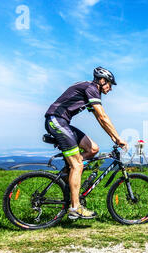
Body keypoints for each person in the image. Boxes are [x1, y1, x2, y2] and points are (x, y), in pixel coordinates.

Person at [45, 66, 128, 219]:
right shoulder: (92, 88)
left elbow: (99, 119)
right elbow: (103, 117)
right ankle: (75, 208)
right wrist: (118, 138)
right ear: (102, 80)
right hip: (56, 121)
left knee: (94, 149)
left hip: (62, 122)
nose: (110, 88)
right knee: (77, 165)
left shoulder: (91, 90)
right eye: (109, 84)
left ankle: (69, 171)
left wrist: (112, 137)